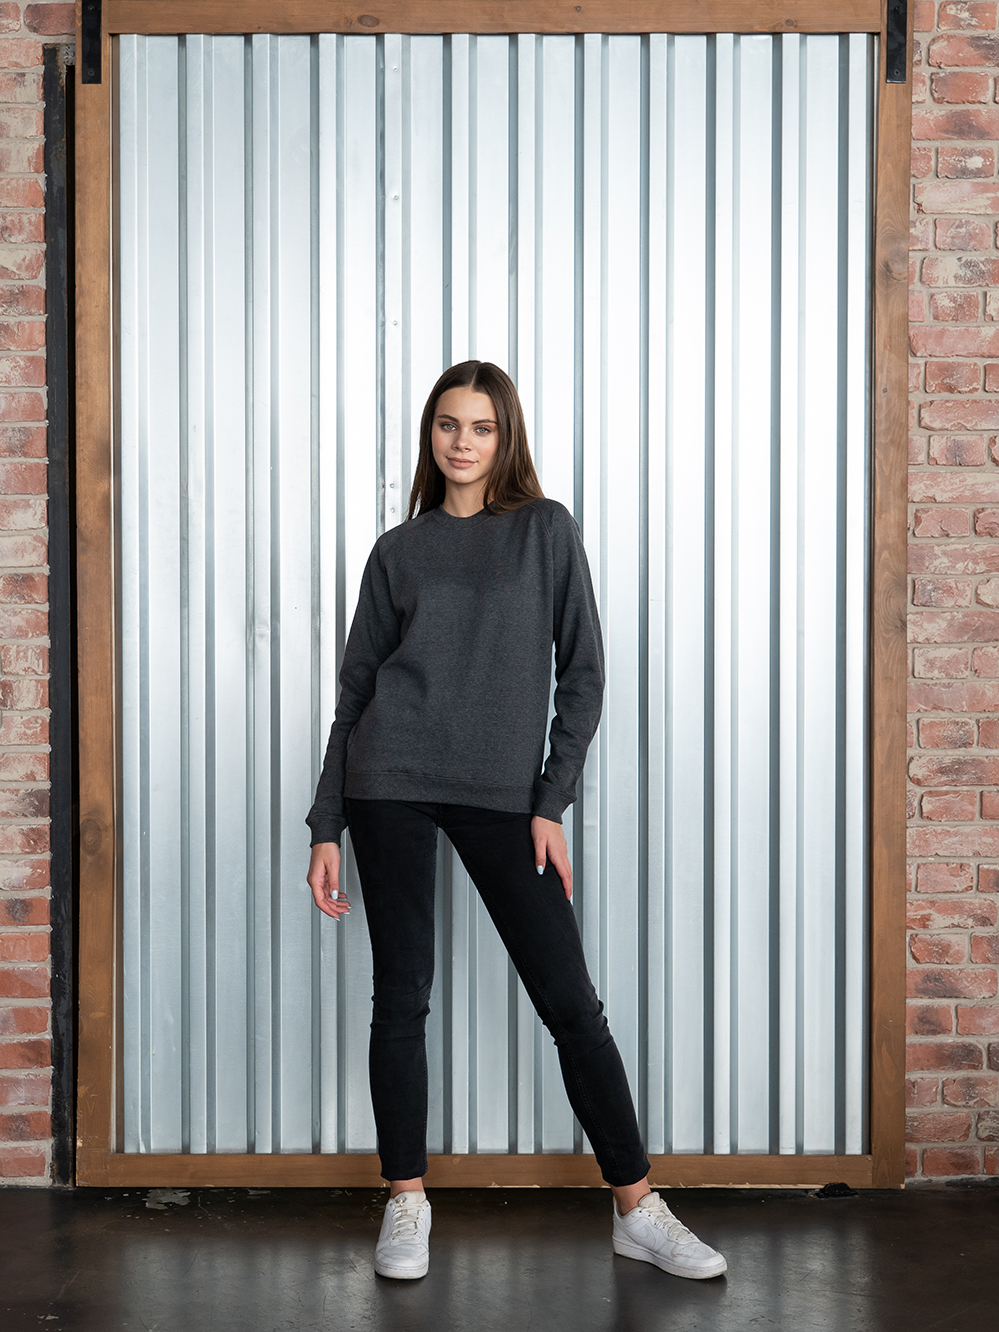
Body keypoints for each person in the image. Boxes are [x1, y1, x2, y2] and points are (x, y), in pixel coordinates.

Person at [305, 361, 727, 1283]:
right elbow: (356, 692)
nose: (462, 442)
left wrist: (549, 802)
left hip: (502, 794)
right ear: (430, 434)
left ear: (507, 438)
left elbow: (585, 676)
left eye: (482, 427)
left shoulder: (545, 530)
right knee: (401, 994)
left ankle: (638, 1207)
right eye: (448, 425)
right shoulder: (398, 550)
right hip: (389, 779)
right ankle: (406, 1200)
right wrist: (326, 823)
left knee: (570, 1001)